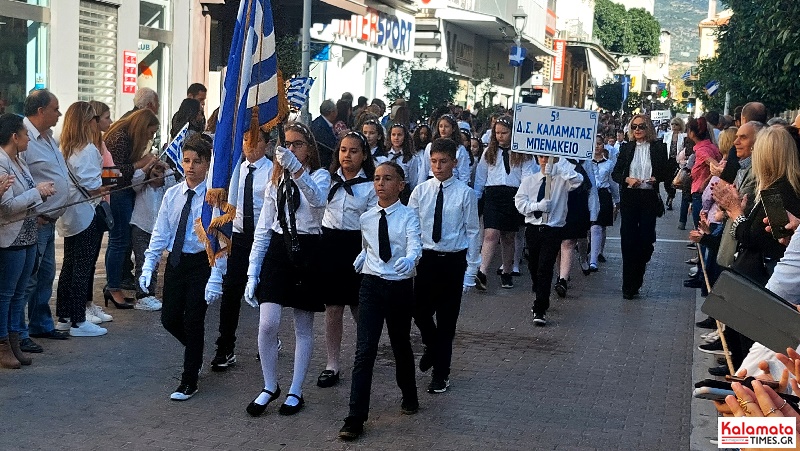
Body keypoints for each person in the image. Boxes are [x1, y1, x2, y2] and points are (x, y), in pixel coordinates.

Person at [244, 122, 330, 416]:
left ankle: (295, 389)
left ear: (309, 148)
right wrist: (252, 271)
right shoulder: (274, 179)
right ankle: (270, 385)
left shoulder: (319, 175)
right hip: (280, 249)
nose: (291, 149)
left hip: (308, 249)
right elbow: (264, 227)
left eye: (298, 144)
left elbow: (318, 201)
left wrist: (296, 170)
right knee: (268, 324)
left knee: (303, 326)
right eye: (288, 144)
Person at [338, 161, 421, 441]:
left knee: (400, 343)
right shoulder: (367, 217)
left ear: (400, 185)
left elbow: (414, 245)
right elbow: (368, 244)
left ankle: (409, 394)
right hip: (371, 285)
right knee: (365, 350)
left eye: (387, 179)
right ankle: (355, 417)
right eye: (376, 179)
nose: (380, 184)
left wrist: (410, 260)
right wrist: (364, 256)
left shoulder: (408, 216)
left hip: (398, 287)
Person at [139, 134, 212, 400]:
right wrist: (149, 264)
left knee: (194, 318)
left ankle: (189, 378)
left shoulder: (213, 197)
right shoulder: (172, 194)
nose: (191, 166)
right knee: (169, 318)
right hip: (177, 262)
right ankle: (195, 349)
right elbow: (161, 231)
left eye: (197, 161)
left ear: (207, 164)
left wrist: (217, 274)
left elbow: (219, 237)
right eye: (186, 160)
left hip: (201, 263)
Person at [409, 138, 480, 394]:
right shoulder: (421, 191)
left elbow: (472, 232)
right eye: (434, 161)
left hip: (452, 260)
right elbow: (412, 227)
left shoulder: (465, 193)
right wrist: (410, 257)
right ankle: (432, 344)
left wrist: (472, 270)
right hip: (427, 259)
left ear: (454, 162)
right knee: (419, 310)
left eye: (443, 162)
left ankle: (441, 374)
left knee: (447, 321)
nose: (438, 167)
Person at [205, 125, 273, 372]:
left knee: (265, 293)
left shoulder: (271, 172)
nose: (250, 146)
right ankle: (225, 347)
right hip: (239, 238)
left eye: (255, 141)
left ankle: (268, 338)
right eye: (245, 141)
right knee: (231, 292)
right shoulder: (235, 171)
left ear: (266, 144)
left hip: (264, 238)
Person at [315, 131, 377, 388]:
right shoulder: (327, 181)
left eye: (353, 151)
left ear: (363, 156)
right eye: (343, 150)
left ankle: (365, 358)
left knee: (360, 309)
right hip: (331, 245)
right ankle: (332, 363)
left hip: (357, 246)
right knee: (333, 309)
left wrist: (367, 253)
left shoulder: (370, 186)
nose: (347, 156)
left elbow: (373, 223)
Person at [0, 113, 56, 368]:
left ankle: (15, 341)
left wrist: (38, 201)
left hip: (27, 235)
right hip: (10, 239)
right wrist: (37, 192)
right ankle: (3, 345)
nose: (28, 140)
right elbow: (7, 205)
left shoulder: (18, 161)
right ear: (14, 136)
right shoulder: (1, 163)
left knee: (19, 293)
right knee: (6, 295)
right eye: (24, 134)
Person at [54, 101, 113, 337]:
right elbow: (92, 186)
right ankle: (79, 320)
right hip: (86, 214)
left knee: (69, 266)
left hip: (69, 215)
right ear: (87, 122)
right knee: (82, 267)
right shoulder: (88, 150)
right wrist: (107, 182)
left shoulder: (64, 149)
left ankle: (64, 316)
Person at [20, 89, 70, 348]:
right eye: (55, 109)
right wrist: (33, 210)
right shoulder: (22, 136)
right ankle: (18, 334)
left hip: (49, 220)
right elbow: (19, 179)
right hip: (35, 220)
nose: (59, 114)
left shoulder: (48, 137)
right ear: (40, 111)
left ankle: (40, 323)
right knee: (27, 279)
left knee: (46, 274)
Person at [515, 156, 583, 326]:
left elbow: (577, 181)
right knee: (534, 265)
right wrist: (536, 207)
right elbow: (520, 202)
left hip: (553, 229)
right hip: (533, 227)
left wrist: (561, 166)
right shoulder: (530, 180)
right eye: (542, 157)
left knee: (545, 267)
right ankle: (539, 291)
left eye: (550, 158)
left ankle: (540, 307)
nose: (545, 161)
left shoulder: (562, 180)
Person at [104, 109, 159, 309]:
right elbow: (111, 173)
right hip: (118, 192)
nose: (150, 138)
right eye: (150, 133)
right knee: (119, 241)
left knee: (121, 241)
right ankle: (113, 286)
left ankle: (114, 285)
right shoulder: (120, 138)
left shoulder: (127, 137)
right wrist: (140, 164)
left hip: (124, 192)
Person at [611, 114, 670, 300]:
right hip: (630, 196)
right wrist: (627, 179)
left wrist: (656, 178)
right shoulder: (626, 147)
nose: (637, 130)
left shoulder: (659, 147)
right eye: (634, 126)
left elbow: (666, 172)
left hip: (648, 197)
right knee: (628, 241)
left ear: (649, 128)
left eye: (641, 126)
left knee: (645, 240)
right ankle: (628, 286)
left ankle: (638, 273)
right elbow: (616, 173)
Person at [473, 116, 535, 290]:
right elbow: (481, 175)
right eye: (497, 133)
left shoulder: (522, 153)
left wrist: (524, 195)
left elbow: (527, 175)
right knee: (490, 234)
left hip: (513, 194)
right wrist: (478, 196)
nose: (500, 136)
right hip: (493, 193)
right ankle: (483, 272)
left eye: (504, 133)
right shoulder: (489, 152)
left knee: (508, 236)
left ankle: (507, 271)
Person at [130, 157, 175, 311]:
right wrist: (148, 165)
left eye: (161, 174)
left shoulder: (166, 191)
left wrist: (167, 169)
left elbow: (172, 184)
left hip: (156, 231)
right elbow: (135, 180)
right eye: (154, 173)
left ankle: (150, 293)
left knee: (154, 263)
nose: (158, 177)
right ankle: (142, 296)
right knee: (142, 261)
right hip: (140, 227)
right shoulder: (142, 187)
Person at [555, 158, 593, 296]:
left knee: (569, 241)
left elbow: (591, 185)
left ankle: (563, 279)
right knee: (559, 241)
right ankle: (560, 274)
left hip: (577, 201)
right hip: (558, 199)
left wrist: (593, 210)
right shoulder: (557, 157)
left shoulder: (585, 159)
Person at [588, 135, 620, 271]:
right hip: (589, 195)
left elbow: (613, 184)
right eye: (594, 144)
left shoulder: (609, 164)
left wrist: (617, 201)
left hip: (603, 194)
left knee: (599, 225)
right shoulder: (586, 162)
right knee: (590, 226)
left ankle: (594, 258)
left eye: (599, 144)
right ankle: (591, 251)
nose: (597, 146)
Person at [417, 114, 471, 186]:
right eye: (441, 126)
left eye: (446, 126)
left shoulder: (460, 149)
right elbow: (425, 169)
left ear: (453, 128)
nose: (443, 129)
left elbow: (464, 173)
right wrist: (420, 186)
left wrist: (462, 190)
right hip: (432, 181)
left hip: (452, 182)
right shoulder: (430, 146)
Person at [688, 117, 721, 228]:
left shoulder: (702, 151)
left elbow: (717, 166)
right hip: (707, 192)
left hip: (701, 192)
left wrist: (706, 181)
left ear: (692, 133)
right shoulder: (711, 146)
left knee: (701, 228)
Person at [376, 123, 418, 203]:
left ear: (405, 137)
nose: (396, 138)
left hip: (404, 191)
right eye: (393, 134)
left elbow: (413, 180)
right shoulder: (385, 155)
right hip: (387, 187)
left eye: (399, 135)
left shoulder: (411, 157)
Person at [661, 117, 686, 210]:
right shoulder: (667, 135)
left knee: (675, 180)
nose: (674, 126)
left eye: (676, 124)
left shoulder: (683, 136)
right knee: (666, 181)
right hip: (668, 161)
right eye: (672, 124)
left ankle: (671, 198)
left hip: (677, 161)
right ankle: (669, 194)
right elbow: (663, 148)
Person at [310, 99, 337, 170]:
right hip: (322, 164)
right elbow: (330, 146)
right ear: (332, 112)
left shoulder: (322, 122)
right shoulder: (320, 126)